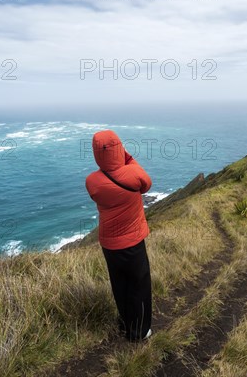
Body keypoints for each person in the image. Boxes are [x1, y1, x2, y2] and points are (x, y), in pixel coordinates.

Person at [85, 130, 153, 342]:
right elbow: (146, 184)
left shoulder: (92, 181)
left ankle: (125, 322)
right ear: (119, 149)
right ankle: (140, 332)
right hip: (132, 242)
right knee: (139, 286)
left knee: (120, 285)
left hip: (109, 244)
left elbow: (104, 179)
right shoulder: (133, 175)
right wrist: (125, 155)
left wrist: (108, 161)